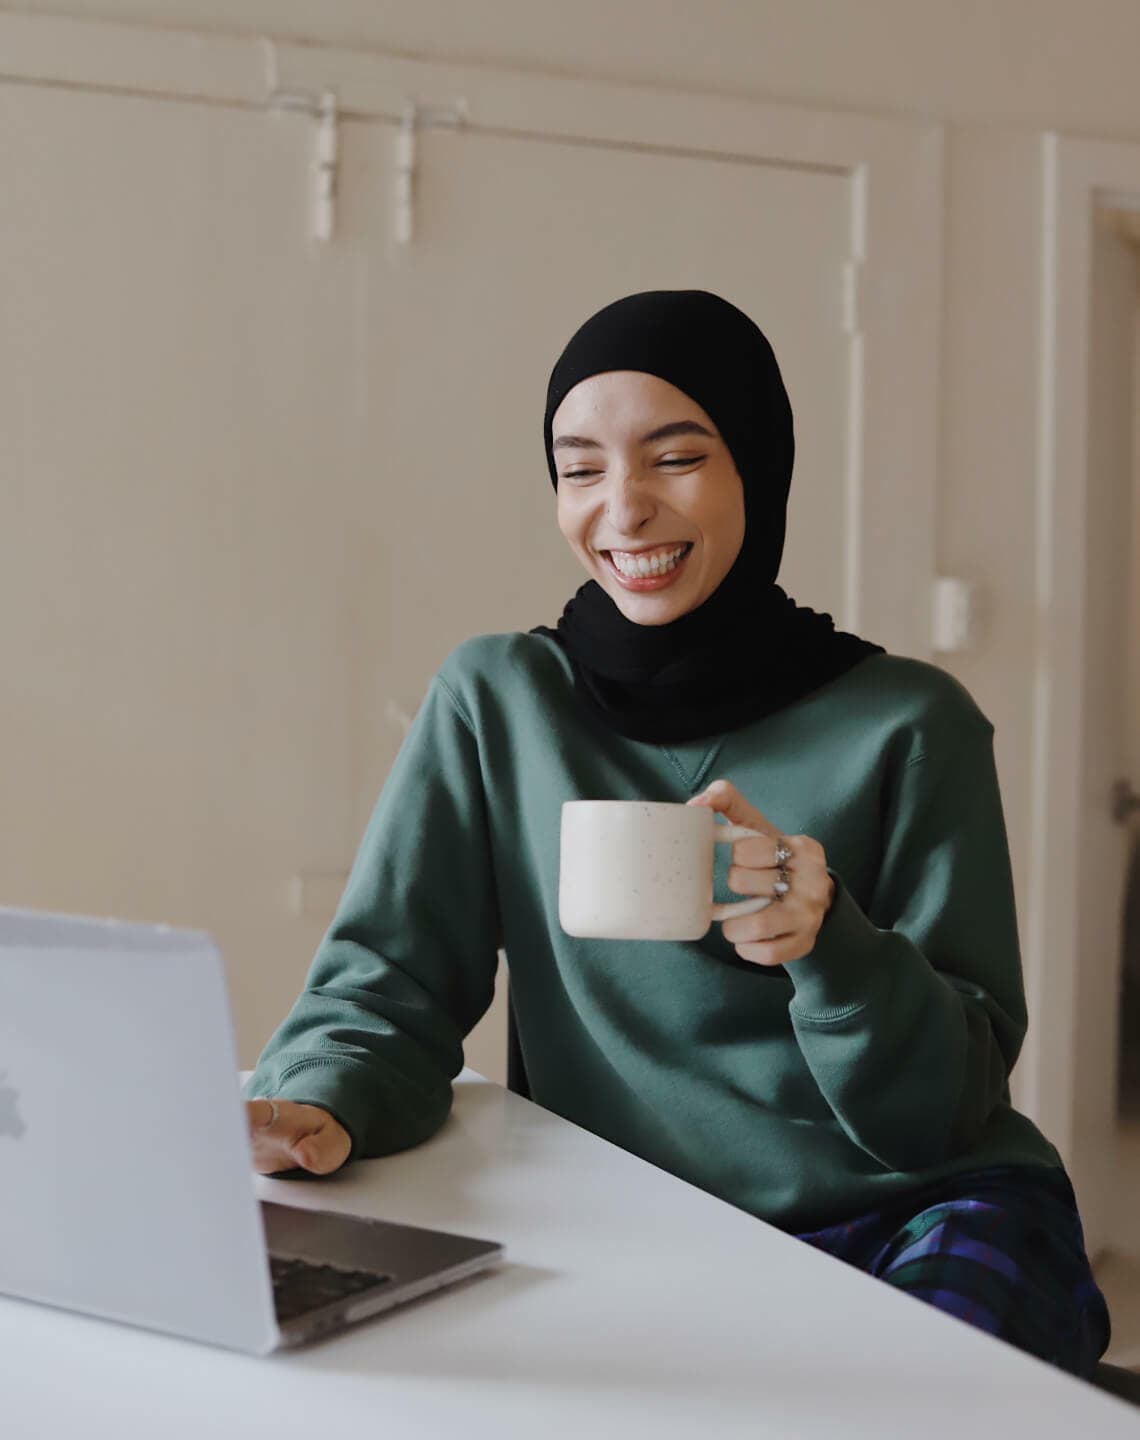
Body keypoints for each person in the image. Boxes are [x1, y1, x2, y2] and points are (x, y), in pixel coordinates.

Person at [245, 290, 1111, 1377]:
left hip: (912, 1210)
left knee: (917, 1403)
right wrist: (316, 1101)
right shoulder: (496, 699)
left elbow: (946, 1112)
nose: (625, 509)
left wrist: (826, 940)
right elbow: (386, 989)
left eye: (677, 456)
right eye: (582, 468)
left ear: (758, 464)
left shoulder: (910, 723)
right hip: (632, 1224)